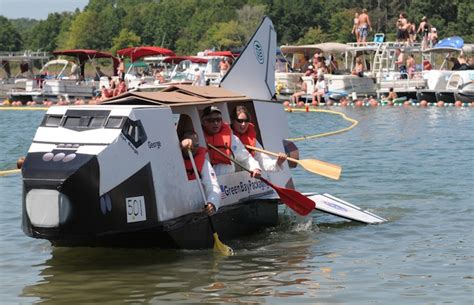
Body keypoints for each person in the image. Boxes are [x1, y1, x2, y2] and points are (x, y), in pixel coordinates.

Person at [201, 105, 261, 178]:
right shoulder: (199, 139)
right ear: (204, 122)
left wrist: (255, 168)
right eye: (211, 120)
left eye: (218, 119)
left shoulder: (232, 139)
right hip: (208, 182)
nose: (216, 123)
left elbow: (246, 158)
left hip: (228, 183)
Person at [230, 105, 287, 172]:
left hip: (248, 177)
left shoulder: (251, 139)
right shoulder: (229, 137)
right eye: (240, 121)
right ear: (233, 121)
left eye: (246, 120)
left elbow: (263, 160)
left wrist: (278, 162)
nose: (243, 124)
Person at [180, 131, 221, 215]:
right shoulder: (174, 160)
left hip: (195, 210)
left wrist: (212, 203)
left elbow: (213, 186)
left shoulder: (204, 163)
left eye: (196, 146)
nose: (193, 148)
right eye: (190, 145)